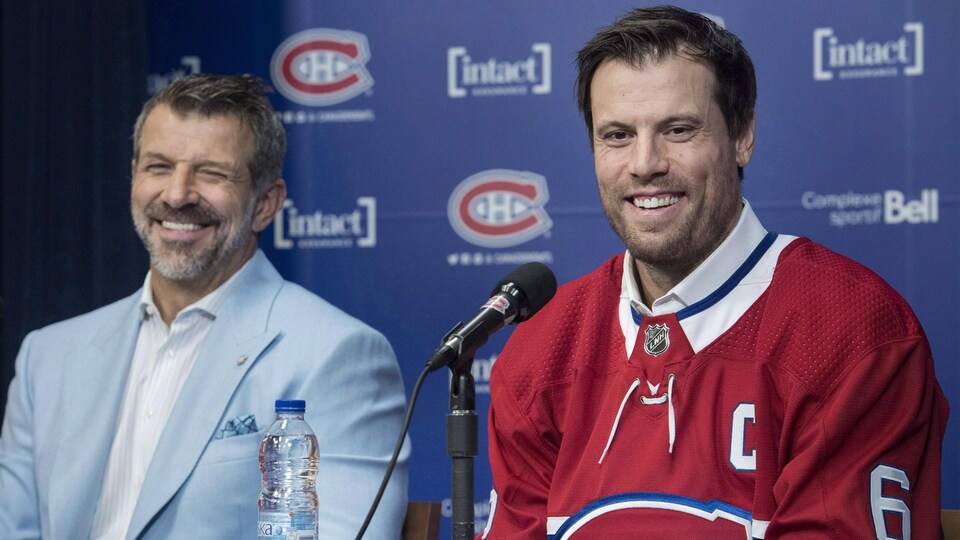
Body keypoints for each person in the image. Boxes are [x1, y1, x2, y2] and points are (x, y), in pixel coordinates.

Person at [482, 6, 948, 539]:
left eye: (678, 130)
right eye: (616, 135)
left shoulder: (853, 329)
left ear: (743, 135)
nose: (644, 163)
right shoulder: (541, 346)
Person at [0, 74, 409, 539]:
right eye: (158, 167)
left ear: (265, 204)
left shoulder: (336, 356)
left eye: (211, 173)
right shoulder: (47, 356)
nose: (176, 195)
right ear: (133, 176)